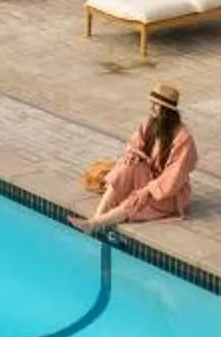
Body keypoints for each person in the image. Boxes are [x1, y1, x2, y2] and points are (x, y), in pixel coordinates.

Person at [77, 82, 196, 232]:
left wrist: (146, 190)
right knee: (126, 167)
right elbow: (134, 145)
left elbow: (172, 179)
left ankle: (96, 224)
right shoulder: (150, 124)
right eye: (151, 103)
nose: (151, 107)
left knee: (139, 200)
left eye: (156, 105)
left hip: (166, 193)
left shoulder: (183, 139)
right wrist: (132, 156)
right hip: (149, 178)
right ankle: (97, 216)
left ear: (167, 111)